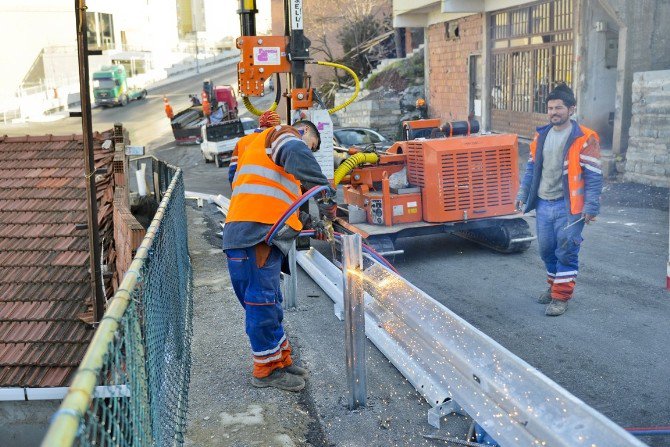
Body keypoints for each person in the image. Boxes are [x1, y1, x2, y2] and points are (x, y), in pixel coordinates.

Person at [223, 118, 337, 391]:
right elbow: (297, 153)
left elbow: (270, 196)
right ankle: (265, 371)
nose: (309, 149)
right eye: (313, 145)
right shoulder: (286, 135)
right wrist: (325, 197)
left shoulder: (252, 145)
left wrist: (312, 223)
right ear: (305, 131)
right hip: (254, 236)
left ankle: (280, 361)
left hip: (258, 234)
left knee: (271, 302)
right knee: (261, 304)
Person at [515, 83, 603, 317]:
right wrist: (523, 194)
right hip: (543, 204)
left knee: (566, 251)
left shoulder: (585, 137)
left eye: (559, 108)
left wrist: (591, 206)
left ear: (571, 109)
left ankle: (560, 297)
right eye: (550, 108)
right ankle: (554, 286)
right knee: (546, 251)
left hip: (569, 207)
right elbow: (532, 169)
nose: (554, 112)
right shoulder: (541, 135)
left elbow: (594, 176)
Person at [228, 110, 281, 185]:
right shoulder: (277, 140)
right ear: (276, 126)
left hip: (243, 192)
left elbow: (232, 172)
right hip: (272, 192)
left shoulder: (242, 142)